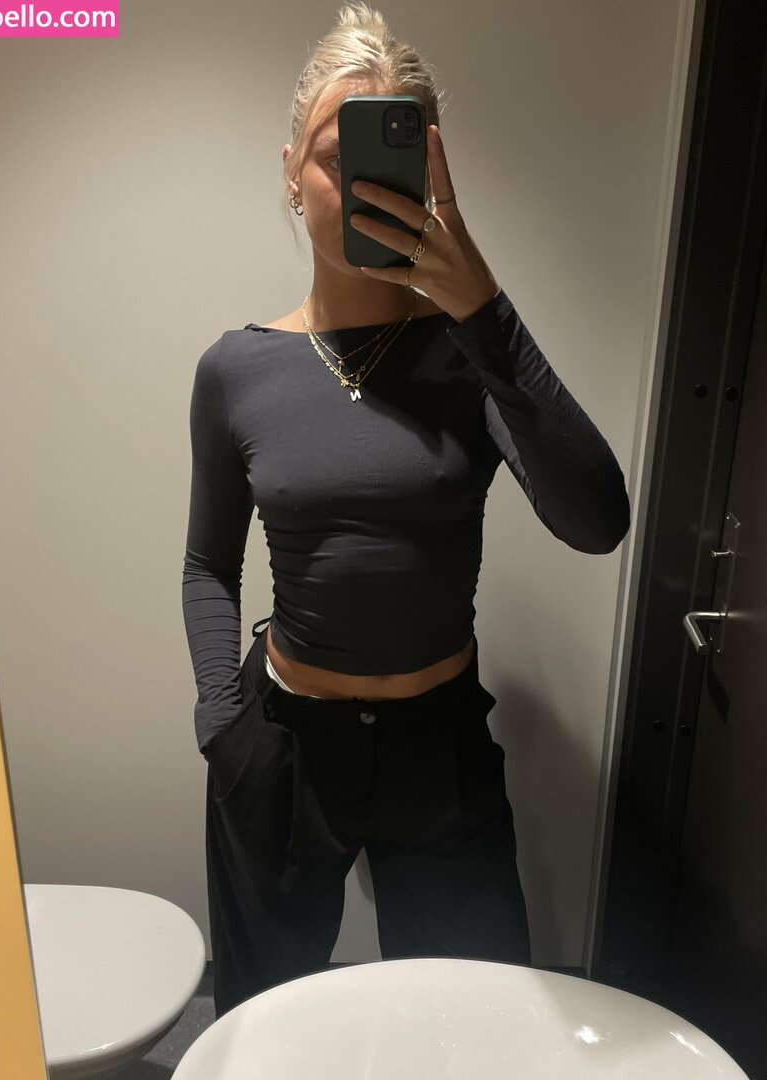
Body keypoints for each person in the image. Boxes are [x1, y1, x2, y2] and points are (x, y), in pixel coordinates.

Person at [182, 1, 630, 1019]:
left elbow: (598, 520)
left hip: (441, 746)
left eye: (393, 163)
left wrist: (484, 310)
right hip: (285, 743)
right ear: (290, 172)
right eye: (335, 159)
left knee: (471, 1024)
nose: (360, 188)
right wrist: (224, 727)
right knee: (262, 1026)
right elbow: (207, 563)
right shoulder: (235, 370)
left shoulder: (474, 354)